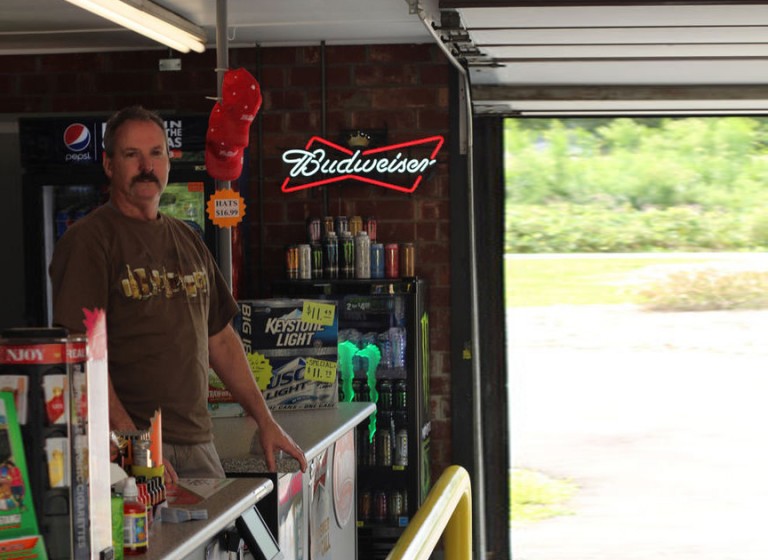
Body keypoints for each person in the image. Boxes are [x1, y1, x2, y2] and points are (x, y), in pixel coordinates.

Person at [49, 105, 307, 482]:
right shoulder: (90, 241)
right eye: (131, 155)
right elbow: (84, 355)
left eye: (155, 153)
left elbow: (220, 338)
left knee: (216, 540)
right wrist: (134, 444)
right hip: (126, 448)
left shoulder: (187, 238)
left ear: (169, 162)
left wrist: (265, 420)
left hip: (197, 441)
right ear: (109, 165)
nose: (146, 166)